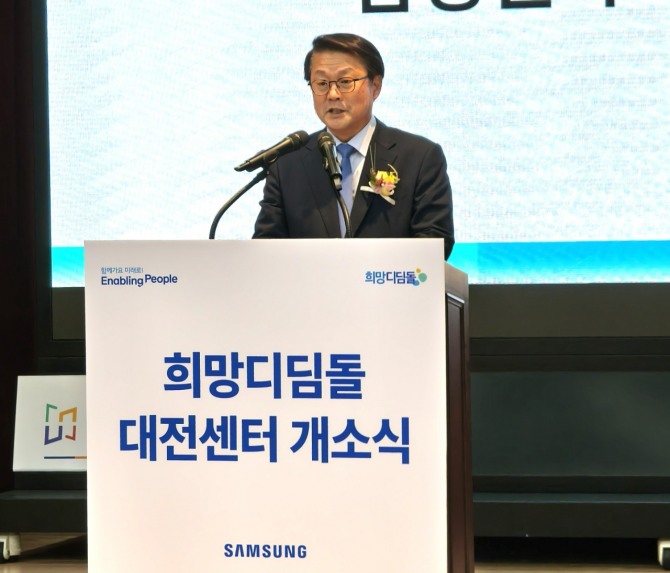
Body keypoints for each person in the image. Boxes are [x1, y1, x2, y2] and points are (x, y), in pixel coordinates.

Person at [253, 33, 455, 260]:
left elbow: (435, 243)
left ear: (375, 86)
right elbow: (266, 249)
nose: (332, 94)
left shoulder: (419, 157)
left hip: (388, 282)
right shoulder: (287, 163)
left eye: (345, 82)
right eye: (322, 83)